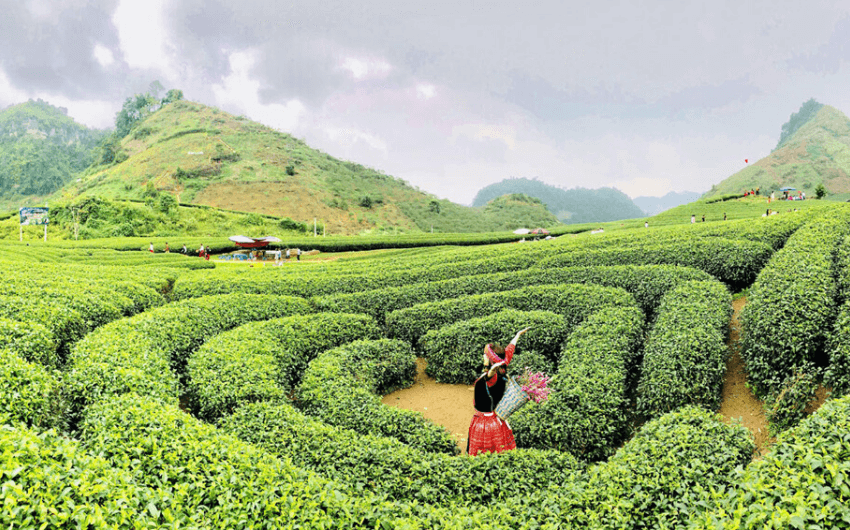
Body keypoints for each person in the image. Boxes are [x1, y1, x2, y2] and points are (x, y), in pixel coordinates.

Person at [467, 327, 530, 456]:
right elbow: (509, 351)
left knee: (482, 456)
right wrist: (517, 335)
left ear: (491, 360)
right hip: (497, 421)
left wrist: (490, 371)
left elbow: (489, 376)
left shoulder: (492, 377)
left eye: (485, 354)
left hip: (484, 424)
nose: (483, 355)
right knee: (499, 455)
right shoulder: (503, 366)